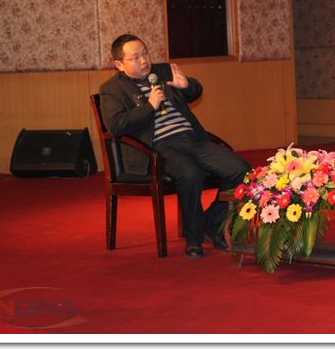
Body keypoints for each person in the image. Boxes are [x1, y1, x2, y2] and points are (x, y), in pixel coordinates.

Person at [99, 34, 251, 259]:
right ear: (119, 64)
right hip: (158, 148)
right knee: (190, 173)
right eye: (135, 58)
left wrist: (187, 86)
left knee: (241, 170)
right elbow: (116, 125)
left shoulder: (162, 72)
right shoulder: (112, 89)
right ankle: (194, 238)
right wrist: (149, 106)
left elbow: (196, 90)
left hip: (192, 139)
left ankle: (211, 223)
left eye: (145, 53)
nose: (144, 60)